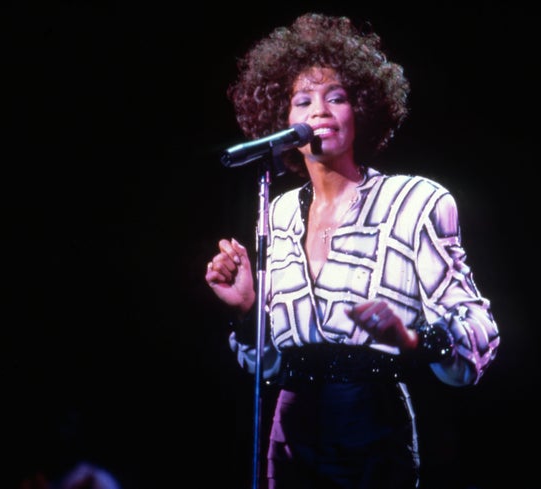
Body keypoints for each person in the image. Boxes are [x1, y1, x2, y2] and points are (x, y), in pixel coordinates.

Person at [205, 12, 500, 489]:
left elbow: (479, 332)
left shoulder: (415, 201)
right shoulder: (276, 213)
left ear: (360, 109)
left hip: (373, 426)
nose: (318, 111)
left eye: (335, 97)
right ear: (282, 121)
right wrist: (246, 310)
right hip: (292, 430)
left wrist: (412, 337)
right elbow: (271, 366)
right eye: (302, 101)